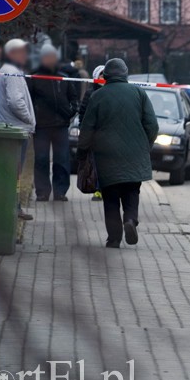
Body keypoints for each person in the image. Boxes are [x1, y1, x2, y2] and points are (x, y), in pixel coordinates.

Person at [77, 58, 158, 249]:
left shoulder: (98, 96)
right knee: (132, 190)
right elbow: (152, 125)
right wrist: (145, 145)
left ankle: (114, 238)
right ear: (125, 73)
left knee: (110, 196)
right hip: (134, 153)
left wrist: (82, 151)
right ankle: (130, 219)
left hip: (106, 155)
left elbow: (87, 128)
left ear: (105, 75)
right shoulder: (139, 93)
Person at [29, 43, 79, 201]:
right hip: (42, 126)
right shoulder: (34, 78)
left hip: (61, 126)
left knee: (62, 159)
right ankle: (42, 192)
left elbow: (74, 98)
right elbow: (29, 100)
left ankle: (60, 191)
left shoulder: (63, 77)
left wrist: (70, 113)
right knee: (41, 159)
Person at [0, 38, 36, 221]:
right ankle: (12, 208)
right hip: (15, 129)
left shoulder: (9, 70)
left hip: (11, 127)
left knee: (13, 171)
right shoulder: (12, 72)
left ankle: (12, 207)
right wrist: (29, 119)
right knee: (14, 172)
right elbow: (15, 101)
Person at [79, 65, 105, 202]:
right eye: (101, 75)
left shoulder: (112, 92)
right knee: (96, 164)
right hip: (95, 136)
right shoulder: (90, 93)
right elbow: (82, 113)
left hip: (108, 135)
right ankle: (98, 189)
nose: (103, 78)